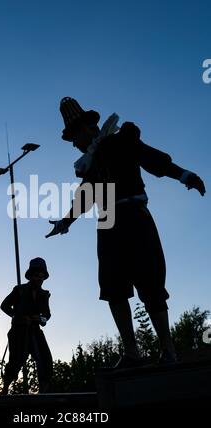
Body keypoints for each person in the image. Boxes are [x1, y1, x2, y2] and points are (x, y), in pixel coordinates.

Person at [46, 97, 206, 369]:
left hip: (134, 214)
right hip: (108, 222)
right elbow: (84, 198)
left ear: (85, 130)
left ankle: (168, 350)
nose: (74, 144)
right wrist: (65, 222)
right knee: (113, 287)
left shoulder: (123, 141)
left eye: (74, 137)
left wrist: (184, 175)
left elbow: (153, 159)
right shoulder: (91, 164)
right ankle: (132, 353)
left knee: (151, 281)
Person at [0, 257, 53, 394]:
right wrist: (18, 317)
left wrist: (39, 318)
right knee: (16, 361)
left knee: (46, 359)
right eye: (37, 276)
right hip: (19, 331)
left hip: (35, 331)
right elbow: (4, 306)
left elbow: (47, 315)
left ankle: (44, 393)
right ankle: (5, 389)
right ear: (31, 276)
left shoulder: (44, 295)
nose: (39, 279)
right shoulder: (19, 290)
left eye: (42, 277)